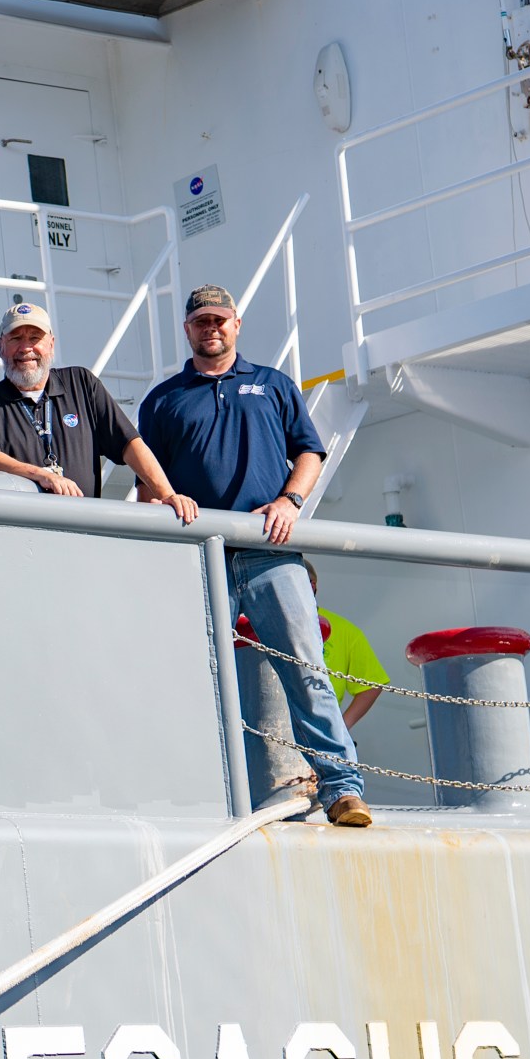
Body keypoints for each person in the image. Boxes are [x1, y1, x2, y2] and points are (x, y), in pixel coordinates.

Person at [137, 284, 373, 827]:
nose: (211, 328)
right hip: (199, 558)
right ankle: (197, 793)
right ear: (188, 330)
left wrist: (291, 501)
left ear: (236, 324)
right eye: (201, 321)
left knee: (308, 674)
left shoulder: (274, 386)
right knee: (191, 676)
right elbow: (150, 485)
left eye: (220, 319)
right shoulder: (164, 400)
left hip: (272, 554)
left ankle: (341, 790)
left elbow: (309, 452)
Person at [0, 302, 197, 523]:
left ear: (51, 343)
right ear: (2, 346)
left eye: (34, 337)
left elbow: (129, 444)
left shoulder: (81, 383)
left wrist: (167, 495)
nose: (26, 348)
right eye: (16, 338)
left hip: (83, 531)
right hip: (19, 534)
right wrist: (42, 476)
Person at [306, 560, 388, 730]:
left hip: (321, 728)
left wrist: (342, 727)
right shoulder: (267, 623)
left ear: (312, 586)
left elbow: (373, 684)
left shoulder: (345, 630)